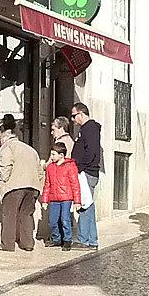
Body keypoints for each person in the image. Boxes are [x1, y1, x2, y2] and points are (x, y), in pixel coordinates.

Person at [0, 115, 43, 252]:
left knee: (9, 214)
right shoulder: (30, 149)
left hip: (15, 186)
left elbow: (5, 166)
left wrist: (4, 181)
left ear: (4, 136)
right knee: (26, 214)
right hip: (33, 186)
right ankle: (28, 243)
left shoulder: (7, 147)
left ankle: (7, 244)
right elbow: (40, 171)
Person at [68, 102, 103, 248]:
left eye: (74, 115)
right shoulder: (86, 129)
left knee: (84, 205)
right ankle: (91, 239)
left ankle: (84, 239)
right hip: (85, 171)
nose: (72, 119)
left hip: (86, 172)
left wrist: (81, 167)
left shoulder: (90, 129)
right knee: (88, 205)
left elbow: (92, 151)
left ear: (81, 114)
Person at [42, 139, 81, 249]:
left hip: (66, 198)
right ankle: (56, 238)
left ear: (61, 155)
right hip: (54, 198)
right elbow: (47, 184)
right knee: (52, 221)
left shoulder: (70, 166)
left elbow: (75, 184)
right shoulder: (50, 168)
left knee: (65, 219)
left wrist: (77, 201)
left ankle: (67, 240)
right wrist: (45, 200)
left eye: (53, 154)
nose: (51, 157)